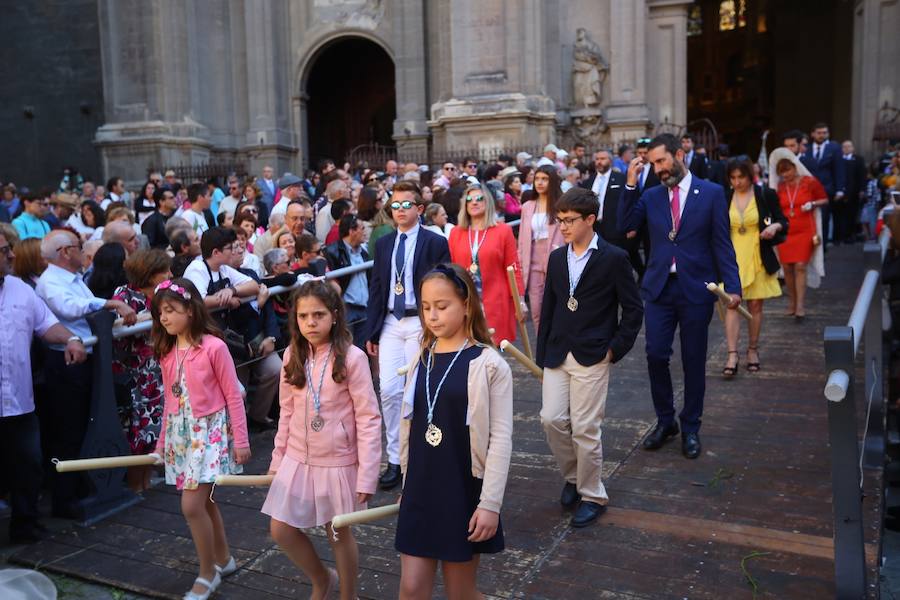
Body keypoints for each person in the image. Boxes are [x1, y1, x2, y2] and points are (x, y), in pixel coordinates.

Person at [618, 134, 741, 459]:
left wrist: (734, 287)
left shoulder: (712, 193)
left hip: (697, 289)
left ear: (678, 154)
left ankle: (691, 427)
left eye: (662, 161)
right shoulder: (652, 195)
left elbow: (722, 243)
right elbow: (626, 227)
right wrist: (630, 184)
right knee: (656, 355)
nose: (658, 168)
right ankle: (665, 421)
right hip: (659, 288)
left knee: (693, 360)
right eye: (653, 163)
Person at [395, 263, 512, 599]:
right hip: (421, 487)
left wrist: (490, 503)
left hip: (462, 489)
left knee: (460, 593)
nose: (432, 316)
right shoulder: (421, 357)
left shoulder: (489, 364)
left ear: (466, 305)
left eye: (442, 306)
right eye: (426, 307)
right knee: (412, 588)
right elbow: (411, 426)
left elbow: (501, 438)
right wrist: (407, 481)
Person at [262, 280, 381, 600]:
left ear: (335, 315)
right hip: (298, 457)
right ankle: (321, 579)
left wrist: (368, 472)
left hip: (338, 459)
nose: (310, 323)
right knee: (281, 529)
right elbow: (285, 412)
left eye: (318, 315)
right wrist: (277, 461)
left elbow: (369, 417)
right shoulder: (291, 355)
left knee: (338, 532)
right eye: (303, 317)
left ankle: (348, 595)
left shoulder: (352, 358)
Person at [536, 187, 642, 527]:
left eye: (569, 221)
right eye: (560, 220)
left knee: (585, 427)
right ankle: (573, 476)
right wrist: (542, 355)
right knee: (550, 419)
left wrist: (614, 349)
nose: (563, 227)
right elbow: (549, 309)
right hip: (557, 351)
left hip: (593, 353)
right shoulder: (556, 258)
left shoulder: (613, 258)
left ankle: (593, 494)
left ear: (590, 219)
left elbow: (633, 309)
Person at [150, 278, 250, 600]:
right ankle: (224, 559)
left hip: (210, 432)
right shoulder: (167, 351)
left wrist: (242, 440)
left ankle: (208, 574)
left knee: (191, 504)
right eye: (160, 312)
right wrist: (162, 442)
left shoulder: (214, 347)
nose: (164, 318)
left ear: (190, 311)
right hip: (182, 434)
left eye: (171, 310)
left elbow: (233, 395)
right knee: (204, 502)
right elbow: (169, 400)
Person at [35, 230, 137, 517]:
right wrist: (109, 303)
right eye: (80, 247)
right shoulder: (51, 282)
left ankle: (84, 488)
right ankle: (65, 499)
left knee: (87, 423)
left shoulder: (73, 278)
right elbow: (69, 309)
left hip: (89, 358)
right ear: (66, 252)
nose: (84, 252)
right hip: (66, 363)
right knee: (69, 430)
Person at [0, 231, 88, 543]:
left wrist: (71, 338)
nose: (11, 256)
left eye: (10, 249)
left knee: (29, 466)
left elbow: (46, 323)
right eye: (4, 251)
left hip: (20, 402)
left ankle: (25, 525)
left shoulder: (20, 289)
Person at [364, 181, 450, 491]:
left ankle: (415, 456)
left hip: (419, 322)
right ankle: (394, 459)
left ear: (420, 208)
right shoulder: (385, 244)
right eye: (395, 206)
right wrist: (371, 330)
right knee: (388, 390)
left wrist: (437, 325)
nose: (399, 210)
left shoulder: (434, 242)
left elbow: (445, 285)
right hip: (389, 321)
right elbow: (376, 288)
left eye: (406, 205)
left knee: (415, 392)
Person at [721, 157, 788, 378]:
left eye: (741, 177)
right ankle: (732, 354)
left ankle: (752, 349)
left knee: (756, 306)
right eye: (733, 178)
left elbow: (782, 220)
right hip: (731, 257)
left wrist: (774, 227)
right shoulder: (724, 195)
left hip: (757, 254)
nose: (737, 182)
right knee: (731, 303)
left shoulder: (764, 194)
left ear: (751, 176)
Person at [112, 249, 172, 492]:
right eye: (164, 271)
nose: (170, 274)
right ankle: (136, 486)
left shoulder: (164, 294)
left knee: (155, 432)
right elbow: (122, 331)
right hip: (136, 374)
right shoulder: (124, 295)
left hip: (159, 370)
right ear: (149, 273)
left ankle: (146, 482)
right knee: (139, 433)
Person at [448, 184, 525, 345]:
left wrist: (520, 300)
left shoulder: (502, 230)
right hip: (466, 301)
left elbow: (513, 266)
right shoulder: (456, 233)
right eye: (469, 199)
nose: (474, 202)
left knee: (495, 350)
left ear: (488, 202)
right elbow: (452, 269)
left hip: (496, 299)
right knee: (468, 348)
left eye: (479, 198)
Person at [768, 147, 827, 320]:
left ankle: (800, 304)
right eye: (782, 172)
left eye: (788, 170)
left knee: (800, 266)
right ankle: (792, 302)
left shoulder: (809, 182)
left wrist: (813, 204)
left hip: (805, 230)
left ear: (795, 167)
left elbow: (824, 199)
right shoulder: (779, 187)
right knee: (787, 267)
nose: (785, 175)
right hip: (786, 232)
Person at [517, 165, 565, 335]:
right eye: (537, 179)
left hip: (556, 257)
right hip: (533, 259)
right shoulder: (528, 206)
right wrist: (520, 262)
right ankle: (542, 348)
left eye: (544, 179)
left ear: (552, 181)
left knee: (558, 307)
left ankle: (559, 345)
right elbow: (522, 240)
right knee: (537, 309)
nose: (540, 182)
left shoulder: (562, 204)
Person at [582, 149, 643, 275]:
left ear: (610, 161)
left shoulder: (621, 179)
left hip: (615, 228)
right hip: (593, 229)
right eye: (597, 159)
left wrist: (633, 226)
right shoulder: (588, 182)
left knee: (617, 263)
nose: (599, 162)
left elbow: (632, 202)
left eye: (602, 159)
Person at [324, 214, 370, 348]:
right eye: (362, 228)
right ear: (352, 231)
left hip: (365, 306)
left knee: (362, 349)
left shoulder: (364, 252)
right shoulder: (332, 252)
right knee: (346, 349)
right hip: (346, 308)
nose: (365, 232)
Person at [804, 122, 845, 244]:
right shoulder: (807, 149)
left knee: (823, 219)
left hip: (826, 190)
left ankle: (822, 247)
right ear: (812, 134)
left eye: (824, 133)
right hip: (808, 190)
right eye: (819, 133)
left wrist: (840, 189)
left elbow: (839, 169)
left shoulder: (834, 148)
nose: (822, 135)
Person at [840, 140, 868, 243]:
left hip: (854, 193)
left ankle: (851, 235)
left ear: (853, 148)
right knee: (841, 215)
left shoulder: (859, 159)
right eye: (844, 147)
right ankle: (841, 236)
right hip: (841, 193)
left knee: (852, 215)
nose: (846, 149)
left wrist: (862, 189)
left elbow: (862, 176)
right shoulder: (839, 160)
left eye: (849, 146)